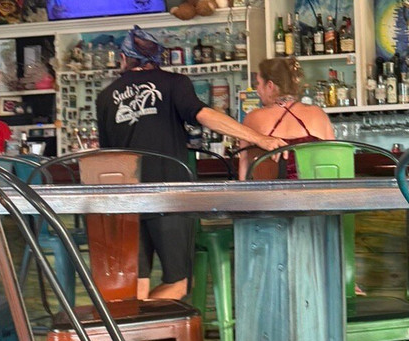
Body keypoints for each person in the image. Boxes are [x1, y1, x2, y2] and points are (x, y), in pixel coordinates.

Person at [96, 26, 285, 301]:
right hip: (168, 196)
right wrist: (260, 139)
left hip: (124, 200)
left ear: (124, 58)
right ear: (157, 58)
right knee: (178, 283)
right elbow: (204, 114)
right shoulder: (174, 83)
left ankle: (132, 323)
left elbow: (105, 157)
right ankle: (142, 323)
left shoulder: (105, 97)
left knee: (136, 286)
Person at [237, 57, 334, 181]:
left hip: (269, 193)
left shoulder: (252, 118)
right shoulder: (318, 114)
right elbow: (335, 160)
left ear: (270, 85)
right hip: (314, 192)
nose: (257, 90)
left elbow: (244, 168)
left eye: (258, 83)